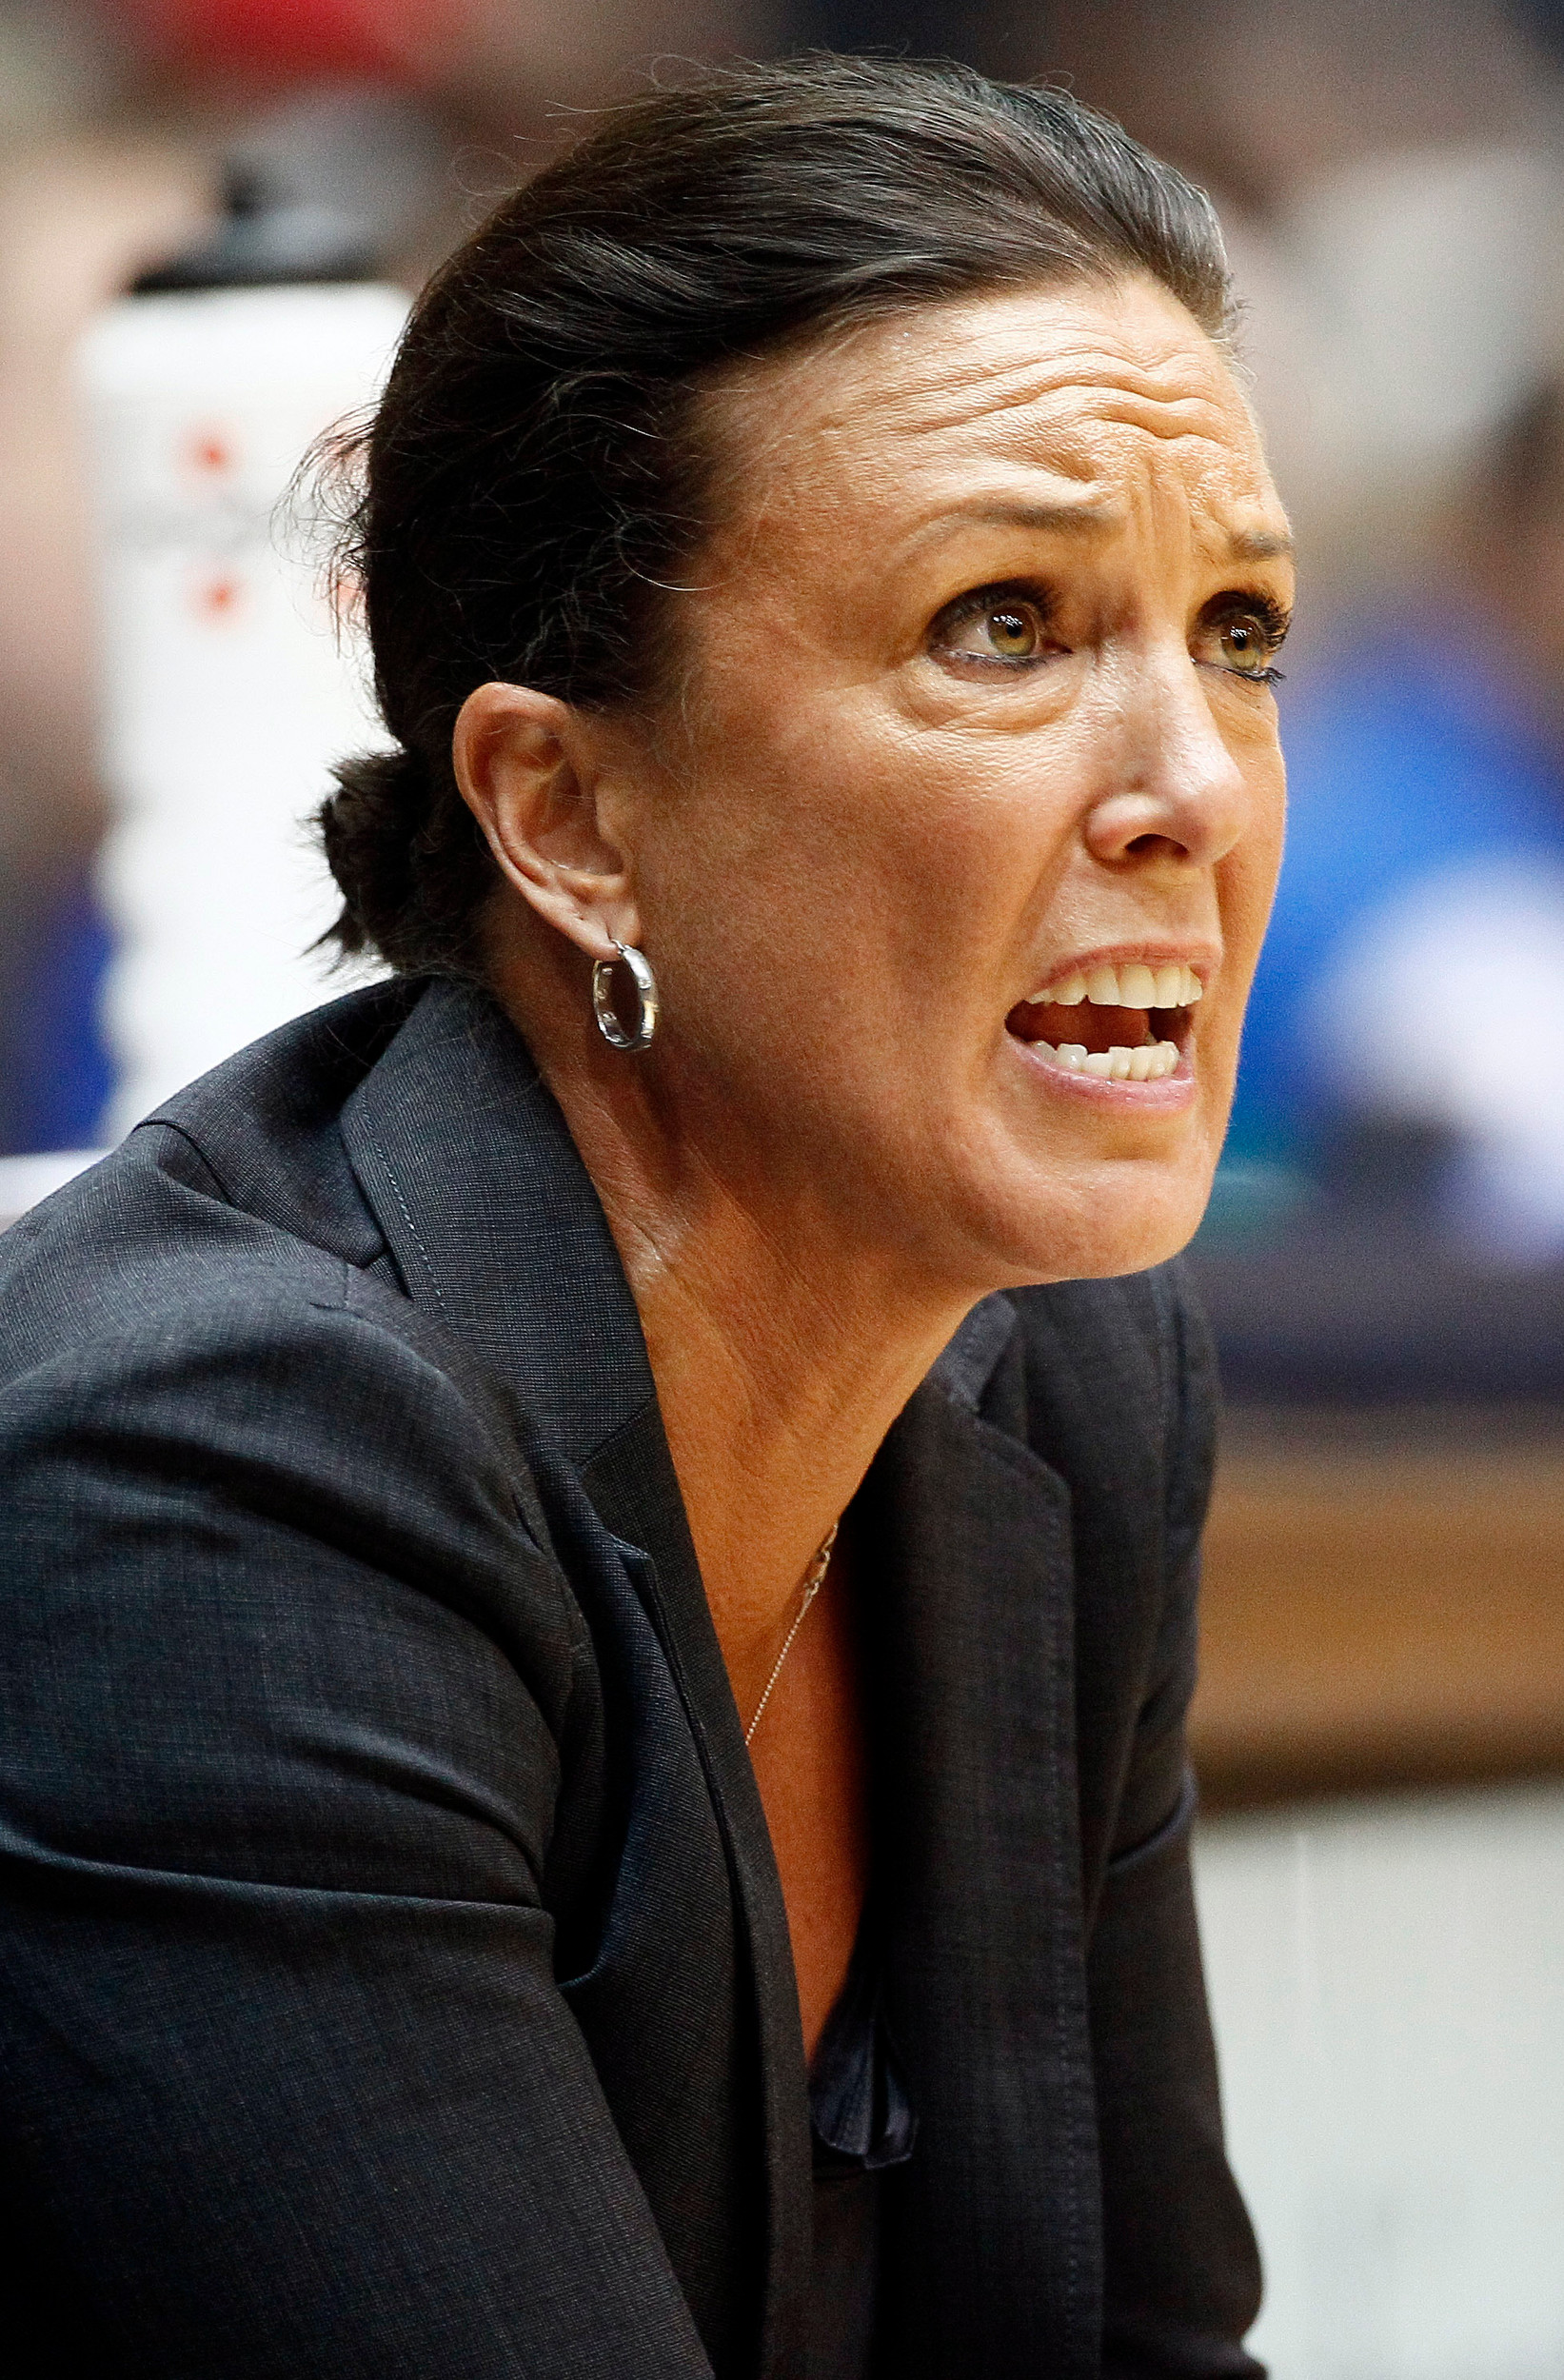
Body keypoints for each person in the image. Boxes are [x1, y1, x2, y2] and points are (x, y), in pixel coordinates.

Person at [0, 56, 1292, 2378]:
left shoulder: (1067, 1372)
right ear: (569, 811)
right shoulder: (213, 1479)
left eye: (1241, 632)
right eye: (1004, 625)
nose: (1194, 785)